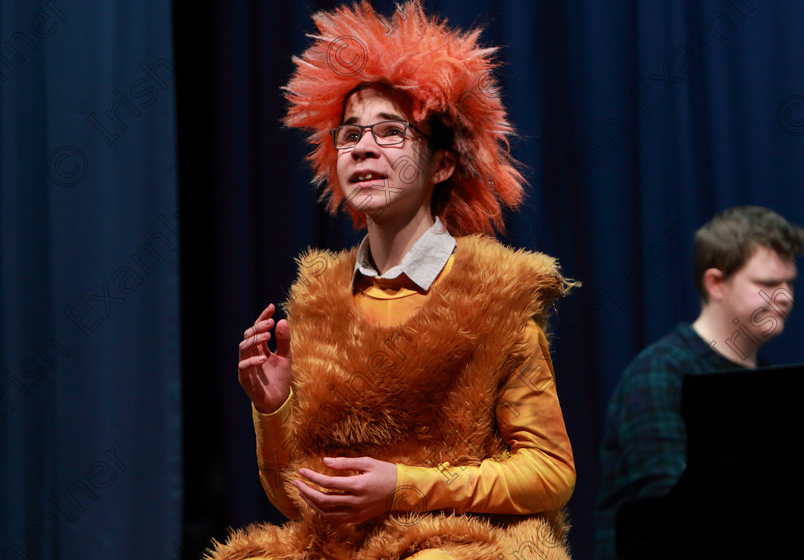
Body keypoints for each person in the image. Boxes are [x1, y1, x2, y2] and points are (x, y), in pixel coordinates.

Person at [204, 2, 577, 560]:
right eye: (350, 135)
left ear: (442, 165)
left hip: (463, 541)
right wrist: (274, 408)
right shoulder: (320, 302)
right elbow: (299, 500)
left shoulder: (494, 294)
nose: (364, 148)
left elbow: (550, 472)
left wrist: (402, 489)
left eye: (390, 132)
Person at [594, 205, 804, 560]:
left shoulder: (767, 380)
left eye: (789, 283)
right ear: (716, 283)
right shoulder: (660, 374)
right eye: (768, 284)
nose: (785, 297)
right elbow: (670, 516)